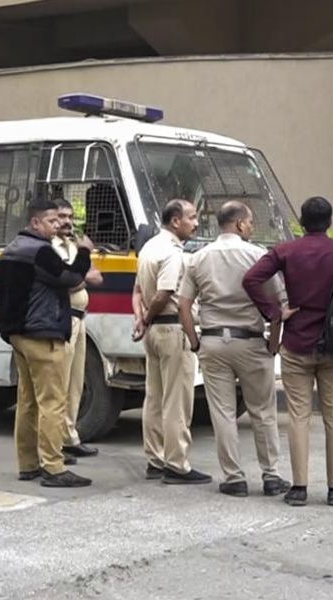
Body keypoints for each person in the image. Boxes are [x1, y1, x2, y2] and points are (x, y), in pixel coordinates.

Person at [243, 196, 333, 507]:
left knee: (298, 418)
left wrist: (274, 312)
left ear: (302, 222)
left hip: (296, 344)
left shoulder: (286, 251)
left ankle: (299, 488)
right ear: (330, 222)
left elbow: (251, 279)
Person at [179, 201, 291, 497]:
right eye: (250, 222)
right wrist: (274, 343)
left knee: (223, 413)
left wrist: (195, 342)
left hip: (213, 341)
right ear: (240, 223)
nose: (251, 228)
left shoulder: (198, 257)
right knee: (263, 411)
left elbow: (183, 305)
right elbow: (279, 305)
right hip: (251, 341)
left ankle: (233, 478)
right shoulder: (258, 256)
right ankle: (271, 476)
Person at [0, 198, 93, 488]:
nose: (57, 226)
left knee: (27, 402)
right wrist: (85, 252)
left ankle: (28, 464)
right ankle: (53, 467)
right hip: (43, 334)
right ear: (35, 222)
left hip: (18, 335)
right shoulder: (40, 251)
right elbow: (72, 278)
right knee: (53, 402)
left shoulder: (10, 250)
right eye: (51, 221)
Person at [132, 199, 211, 485]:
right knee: (177, 400)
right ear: (176, 221)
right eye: (192, 217)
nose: (196, 223)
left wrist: (142, 320)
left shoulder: (149, 248)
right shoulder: (173, 253)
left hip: (155, 332)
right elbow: (164, 293)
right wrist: (148, 317)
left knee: (154, 398)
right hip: (173, 330)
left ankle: (155, 459)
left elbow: (137, 290)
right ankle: (177, 464)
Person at [52, 198, 104, 461]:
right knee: (59, 382)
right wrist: (81, 275)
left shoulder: (72, 245)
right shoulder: (51, 247)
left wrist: (79, 275)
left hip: (80, 319)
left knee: (75, 383)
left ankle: (69, 436)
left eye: (70, 217)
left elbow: (97, 276)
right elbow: (68, 283)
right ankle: (54, 444)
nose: (67, 222)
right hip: (63, 318)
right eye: (62, 216)